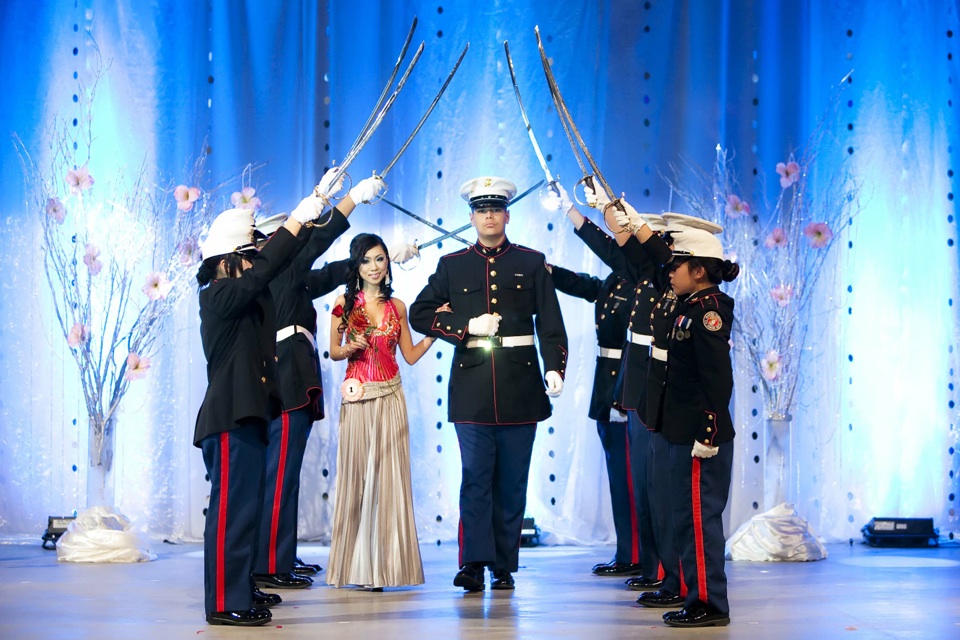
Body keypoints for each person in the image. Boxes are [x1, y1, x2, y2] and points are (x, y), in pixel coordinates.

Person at [409, 176, 568, 592]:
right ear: (472, 218)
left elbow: (550, 324)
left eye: (496, 209)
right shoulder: (453, 264)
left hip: (521, 386)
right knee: (476, 478)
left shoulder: (532, 262)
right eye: (482, 210)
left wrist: (555, 367)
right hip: (472, 389)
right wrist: (464, 326)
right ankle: (473, 563)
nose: (489, 216)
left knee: (512, 481)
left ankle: (503, 564)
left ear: (508, 215)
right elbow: (420, 314)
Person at [193, 186, 327, 627]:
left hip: (249, 412)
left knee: (247, 509)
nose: (254, 263)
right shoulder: (217, 293)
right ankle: (223, 602)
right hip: (230, 416)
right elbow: (263, 272)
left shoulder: (246, 297)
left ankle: (242, 586)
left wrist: (311, 221)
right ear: (228, 258)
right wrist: (292, 224)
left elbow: (276, 271)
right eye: (248, 255)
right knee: (231, 512)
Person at [252, 174, 385, 591]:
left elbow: (331, 272)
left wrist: (381, 261)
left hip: (294, 376)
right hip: (286, 378)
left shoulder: (290, 276)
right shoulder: (275, 270)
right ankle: (270, 564)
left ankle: (281, 555)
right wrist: (347, 201)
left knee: (285, 475)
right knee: (279, 475)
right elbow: (317, 245)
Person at [617, 204, 739, 628]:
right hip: (678, 430)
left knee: (700, 521)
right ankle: (694, 595)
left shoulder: (709, 312)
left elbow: (716, 379)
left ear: (700, 270)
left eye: (680, 263)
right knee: (684, 518)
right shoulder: (688, 303)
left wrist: (708, 428)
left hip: (697, 434)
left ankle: (710, 603)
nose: (671, 271)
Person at [326, 233, 436, 590]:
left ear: (388, 263)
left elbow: (410, 355)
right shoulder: (343, 304)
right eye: (367, 261)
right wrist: (350, 347)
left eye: (380, 259)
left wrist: (436, 331)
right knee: (358, 481)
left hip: (391, 397)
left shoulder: (398, 307)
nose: (374, 267)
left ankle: (383, 570)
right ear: (356, 266)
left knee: (388, 483)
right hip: (357, 400)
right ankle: (355, 567)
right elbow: (333, 351)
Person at [543, 185, 641, 577]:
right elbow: (585, 285)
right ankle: (627, 552)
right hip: (607, 386)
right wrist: (545, 271)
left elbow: (607, 250)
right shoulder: (618, 280)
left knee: (632, 478)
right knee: (619, 476)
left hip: (627, 387)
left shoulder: (641, 278)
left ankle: (640, 555)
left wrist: (573, 210)